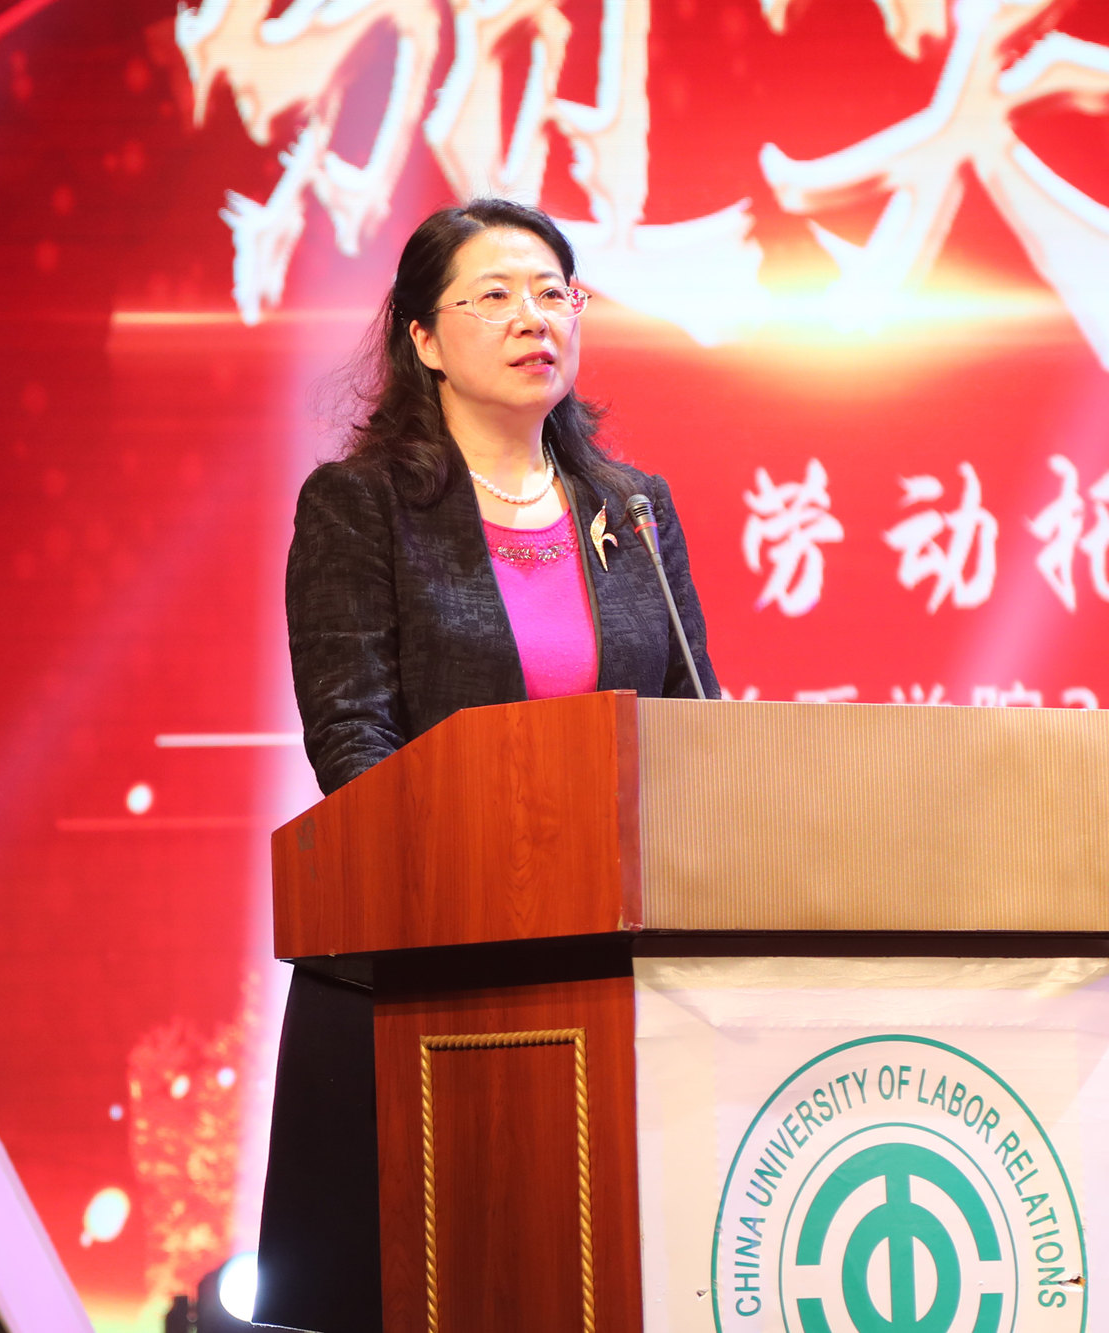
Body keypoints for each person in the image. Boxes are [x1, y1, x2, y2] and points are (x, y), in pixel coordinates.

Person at [253, 198, 719, 1333]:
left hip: (613, 973)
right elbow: (353, 742)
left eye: (554, 293)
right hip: (427, 967)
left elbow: (693, 729)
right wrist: (475, 873)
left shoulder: (633, 510)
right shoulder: (361, 506)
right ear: (423, 337)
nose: (533, 318)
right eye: (496, 295)